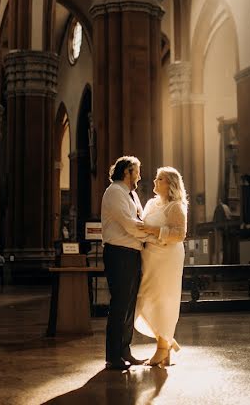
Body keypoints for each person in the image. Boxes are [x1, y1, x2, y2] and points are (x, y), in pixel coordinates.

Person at [135, 166, 188, 367]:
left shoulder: (176, 206)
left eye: (160, 180)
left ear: (171, 184)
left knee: (164, 299)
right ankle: (165, 341)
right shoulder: (150, 203)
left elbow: (179, 234)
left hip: (168, 258)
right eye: (156, 179)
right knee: (145, 299)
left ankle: (162, 348)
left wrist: (152, 230)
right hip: (150, 257)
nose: (155, 182)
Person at [101, 155, 149, 371]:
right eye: (136, 170)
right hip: (118, 254)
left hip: (131, 254)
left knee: (130, 305)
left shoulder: (131, 194)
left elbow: (140, 221)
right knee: (120, 304)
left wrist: (144, 233)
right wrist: (151, 236)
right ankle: (113, 356)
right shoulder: (114, 192)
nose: (139, 175)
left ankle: (125, 350)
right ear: (126, 172)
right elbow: (131, 225)